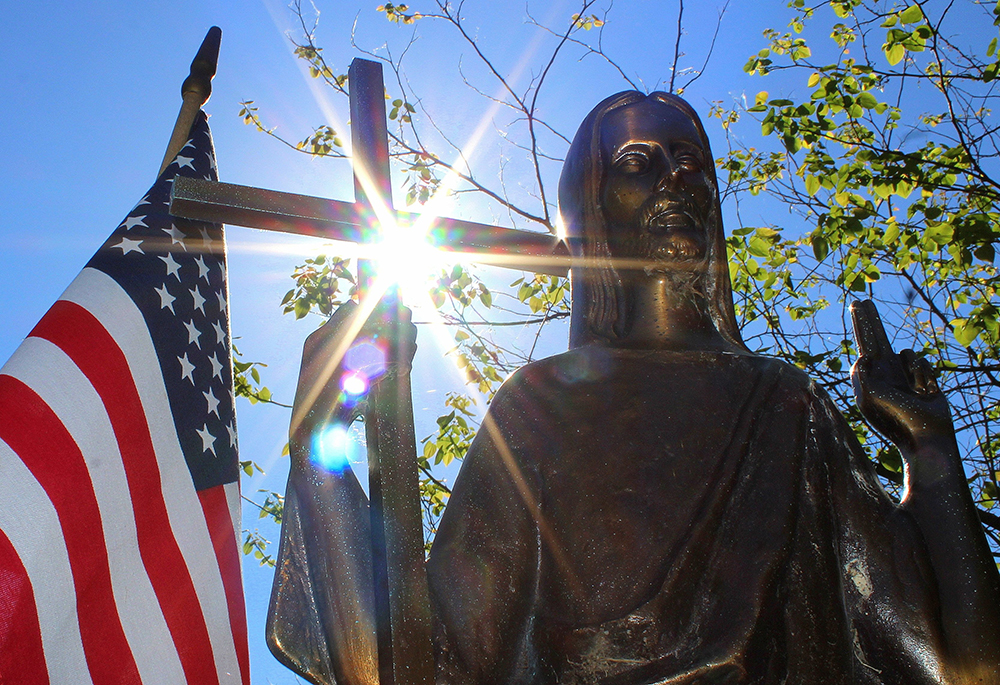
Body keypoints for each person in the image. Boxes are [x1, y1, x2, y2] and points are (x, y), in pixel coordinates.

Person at [268, 92, 1000, 684]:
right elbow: (422, 666)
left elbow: (963, 665)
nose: (677, 178)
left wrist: (931, 451)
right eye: (638, 162)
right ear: (592, 208)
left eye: (690, 161)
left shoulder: (788, 405)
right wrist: (320, 439)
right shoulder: (540, 406)